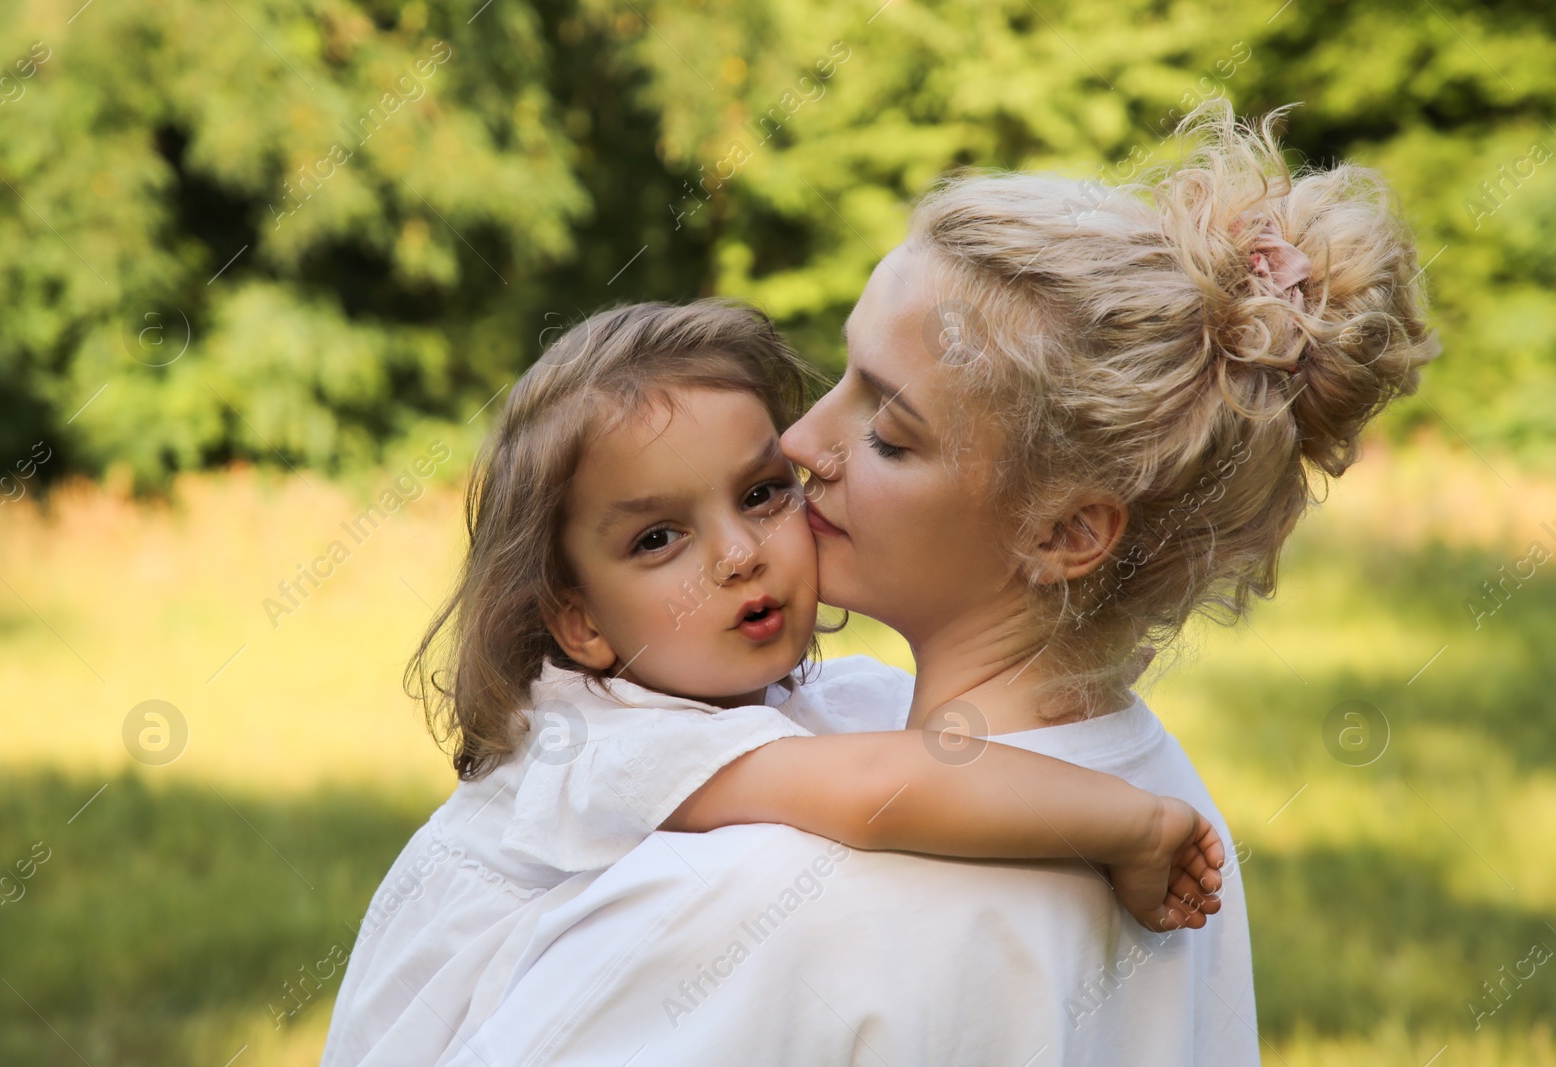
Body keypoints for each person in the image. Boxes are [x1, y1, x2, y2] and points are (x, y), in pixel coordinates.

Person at [431, 104, 1439, 1065]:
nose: (799, 442)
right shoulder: (1164, 793)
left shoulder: (764, 895)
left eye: (888, 434)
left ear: (1066, 530)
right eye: (840, 377)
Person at [320, 302, 1227, 1067]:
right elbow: (879, 788)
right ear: (580, 623)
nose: (740, 554)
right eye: (657, 539)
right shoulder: (606, 744)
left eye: (760, 492)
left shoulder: (798, 699)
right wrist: (1132, 822)